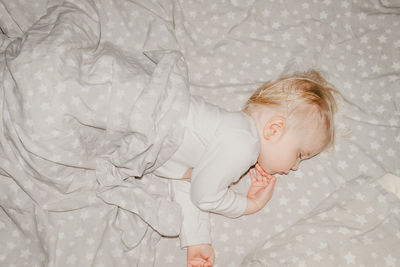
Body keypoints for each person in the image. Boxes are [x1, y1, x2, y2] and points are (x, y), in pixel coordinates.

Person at [153, 70, 339, 267]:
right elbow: (204, 196)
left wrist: (197, 241)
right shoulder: (243, 144)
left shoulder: (226, 133)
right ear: (274, 129)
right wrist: (250, 204)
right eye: (300, 154)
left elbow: (188, 182)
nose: (294, 167)